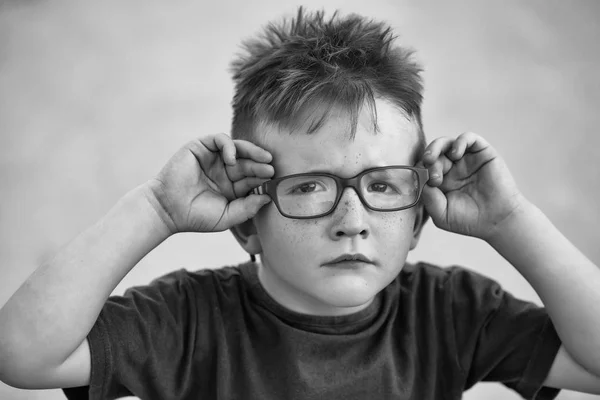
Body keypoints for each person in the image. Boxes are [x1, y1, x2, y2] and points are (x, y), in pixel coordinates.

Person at [1, 6, 599, 400]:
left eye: (384, 186)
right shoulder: (188, 322)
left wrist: (510, 221)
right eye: (310, 186)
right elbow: (22, 356)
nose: (352, 222)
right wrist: (156, 209)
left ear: (419, 215)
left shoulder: (450, 313)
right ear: (247, 222)